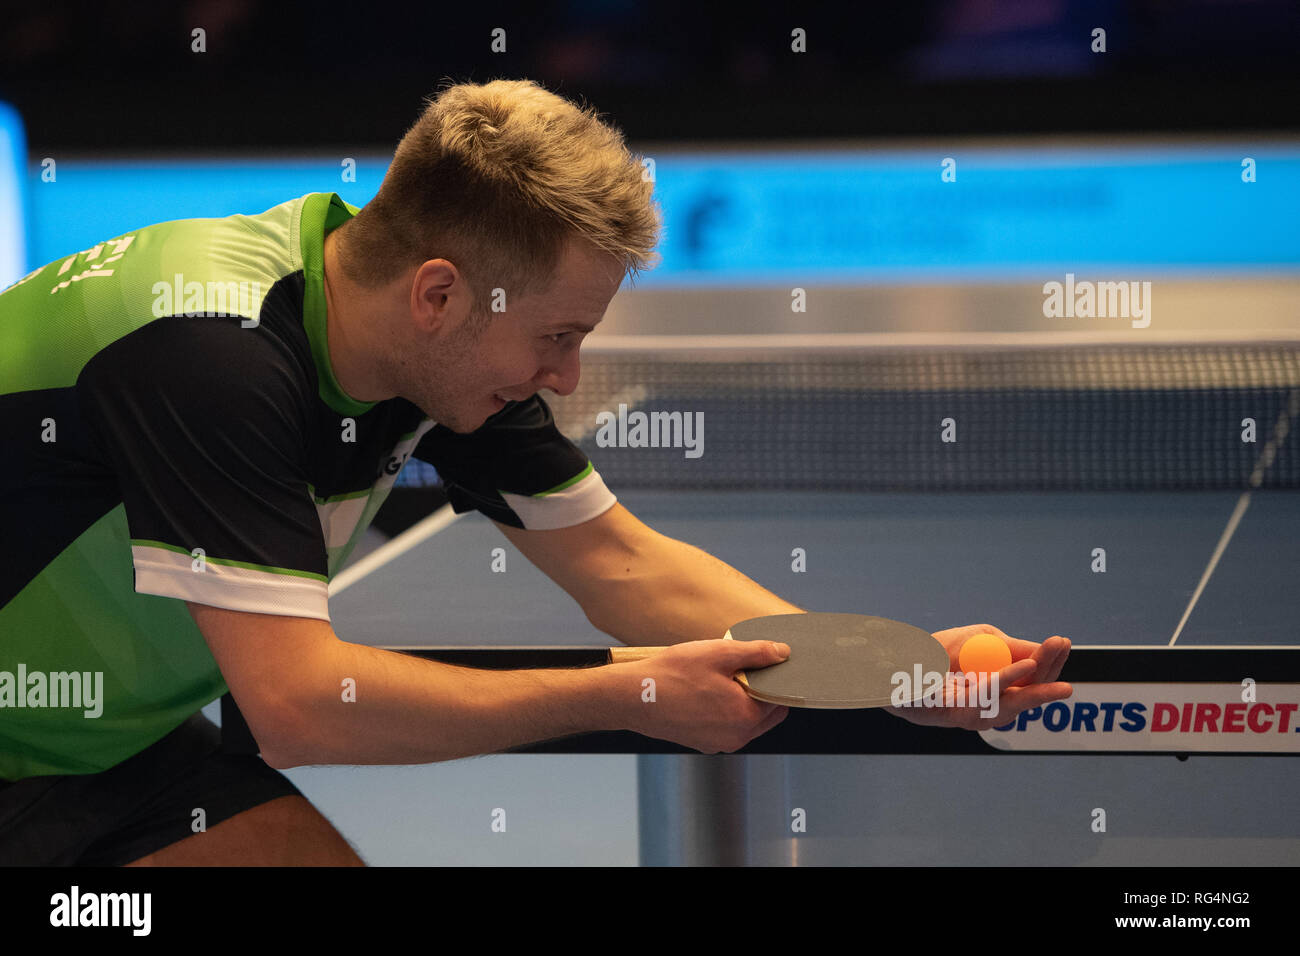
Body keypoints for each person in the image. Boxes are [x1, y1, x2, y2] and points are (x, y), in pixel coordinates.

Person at [0, 78, 1072, 866]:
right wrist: (627, 692)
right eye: (557, 334)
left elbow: (621, 564)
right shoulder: (211, 355)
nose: (565, 374)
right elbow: (299, 705)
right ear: (439, 293)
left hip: (97, 742)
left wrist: (886, 673)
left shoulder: (435, 354)